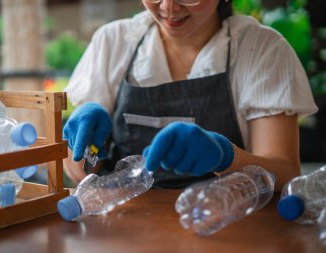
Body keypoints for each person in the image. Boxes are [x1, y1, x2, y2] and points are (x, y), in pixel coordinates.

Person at [62, 0, 318, 190]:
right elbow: (79, 173)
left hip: (225, 226)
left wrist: (226, 156)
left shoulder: (261, 50)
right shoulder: (113, 41)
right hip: (121, 225)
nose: (169, 7)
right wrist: (81, 149)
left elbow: (285, 175)